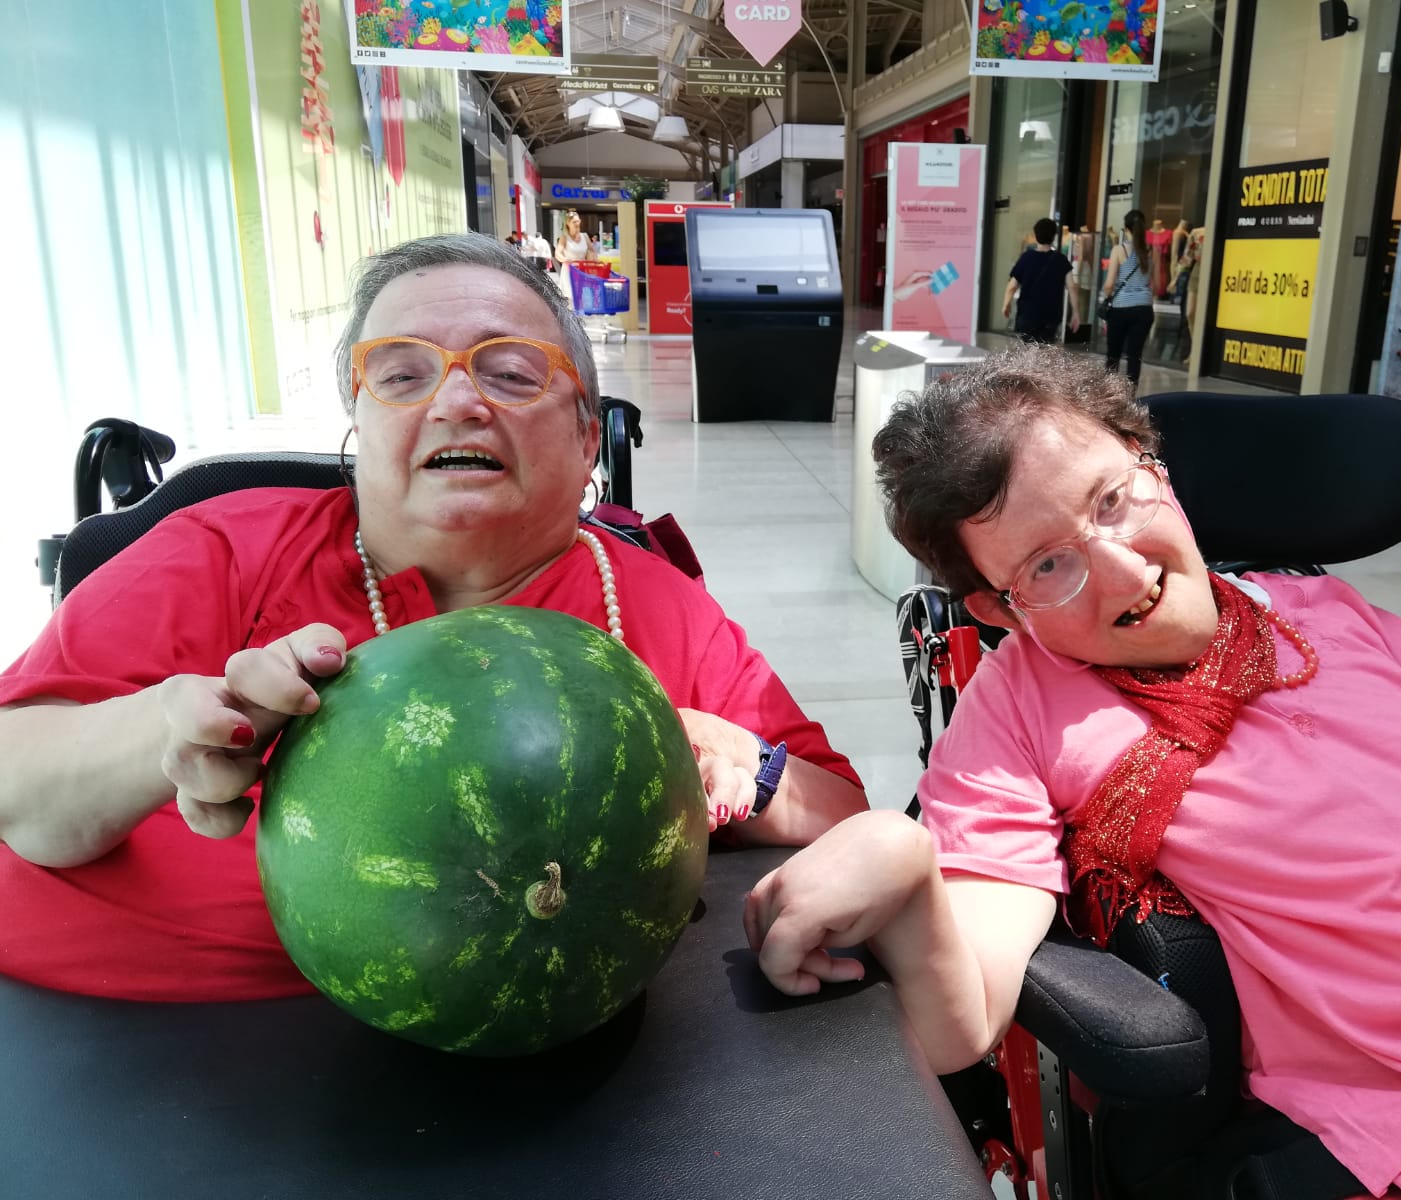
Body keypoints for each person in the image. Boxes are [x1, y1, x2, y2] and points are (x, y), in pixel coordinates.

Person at [744, 343, 1401, 1199]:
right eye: (1047, 565)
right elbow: (959, 1025)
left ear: (1151, 464)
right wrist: (897, 857)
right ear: (998, 608)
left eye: (1113, 500)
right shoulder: (1021, 716)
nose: (1126, 572)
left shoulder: (1319, 609)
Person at [0, 232, 867, 1004]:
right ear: (358, 424)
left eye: (511, 373)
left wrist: (737, 761)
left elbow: (842, 820)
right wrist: (167, 735)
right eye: (402, 375)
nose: (456, 402)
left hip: (529, 1052)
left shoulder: (652, 604)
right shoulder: (222, 549)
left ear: (585, 440)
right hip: (105, 1027)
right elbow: (16, 780)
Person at [1002, 217, 1078, 345]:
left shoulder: (1026, 258)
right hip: (1051, 315)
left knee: (1027, 349)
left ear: (1036, 236)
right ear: (1053, 236)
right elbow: (1072, 287)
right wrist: (1076, 312)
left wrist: (1006, 304)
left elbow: (1012, 286)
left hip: (1028, 315)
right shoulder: (1061, 260)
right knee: (1045, 349)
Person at [1101, 209, 1156, 386]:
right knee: (1135, 355)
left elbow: (1109, 284)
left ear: (1126, 229)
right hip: (1144, 309)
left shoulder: (1119, 250)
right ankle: (1131, 394)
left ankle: (1109, 393)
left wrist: (1107, 296)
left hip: (1120, 308)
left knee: (1113, 354)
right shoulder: (1151, 250)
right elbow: (1154, 283)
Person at [554, 209, 596, 303]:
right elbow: (558, 253)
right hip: (569, 271)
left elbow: (592, 251)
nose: (577, 224)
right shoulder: (564, 238)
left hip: (582, 271)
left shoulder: (585, 236)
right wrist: (566, 260)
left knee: (583, 299)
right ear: (568, 224)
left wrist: (593, 263)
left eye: (578, 221)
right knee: (570, 300)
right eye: (574, 222)